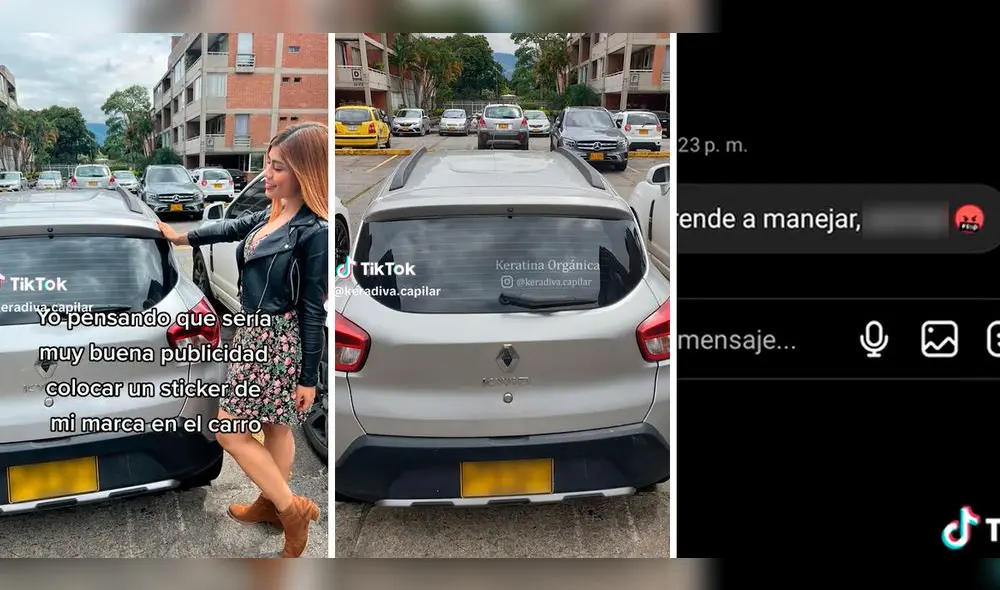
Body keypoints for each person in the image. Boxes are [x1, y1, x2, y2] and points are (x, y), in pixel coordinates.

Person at [157, 122, 329, 558]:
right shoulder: (273, 213)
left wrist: (309, 376)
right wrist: (182, 235)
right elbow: (230, 226)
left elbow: (312, 308)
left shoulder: (315, 231)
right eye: (267, 165)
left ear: (305, 171)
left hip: (277, 339)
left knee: (229, 431)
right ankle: (272, 506)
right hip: (253, 333)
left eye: (277, 168)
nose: (265, 176)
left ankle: (291, 511)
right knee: (273, 425)